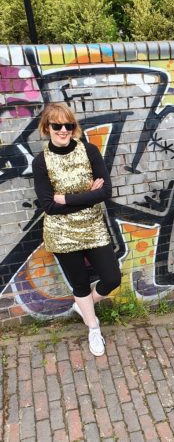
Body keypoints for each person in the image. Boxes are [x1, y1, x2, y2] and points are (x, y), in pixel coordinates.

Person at [32, 103, 121, 356]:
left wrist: (66, 199)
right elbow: (49, 206)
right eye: (57, 125)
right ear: (46, 128)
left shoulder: (89, 151)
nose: (63, 130)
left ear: (74, 126)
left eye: (68, 125)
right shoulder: (41, 162)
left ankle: (85, 307)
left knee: (112, 277)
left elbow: (105, 192)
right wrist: (87, 195)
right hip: (61, 232)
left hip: (93, 227)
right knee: (79, 283)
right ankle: (93, 327)